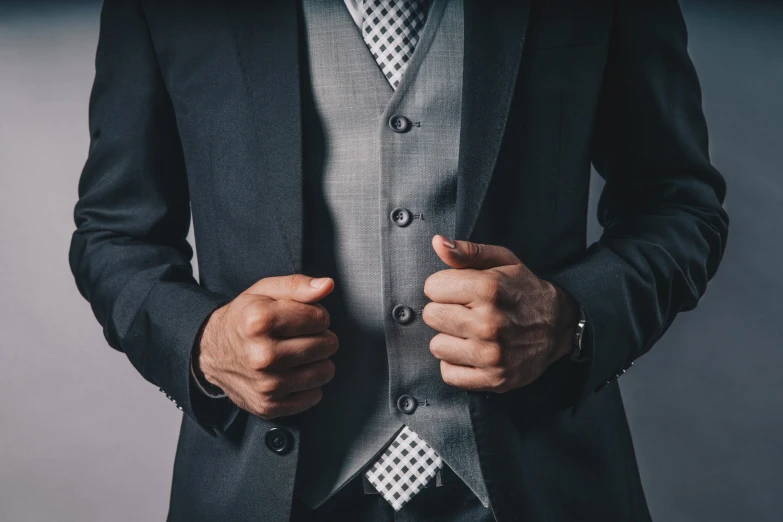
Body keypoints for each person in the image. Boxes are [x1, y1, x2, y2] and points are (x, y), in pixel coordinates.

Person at [69, 0, 729, 521]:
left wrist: (569, 319)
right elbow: (113, 233)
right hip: (264, 491)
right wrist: (203, 343)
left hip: (540, 480)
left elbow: (677, 206)